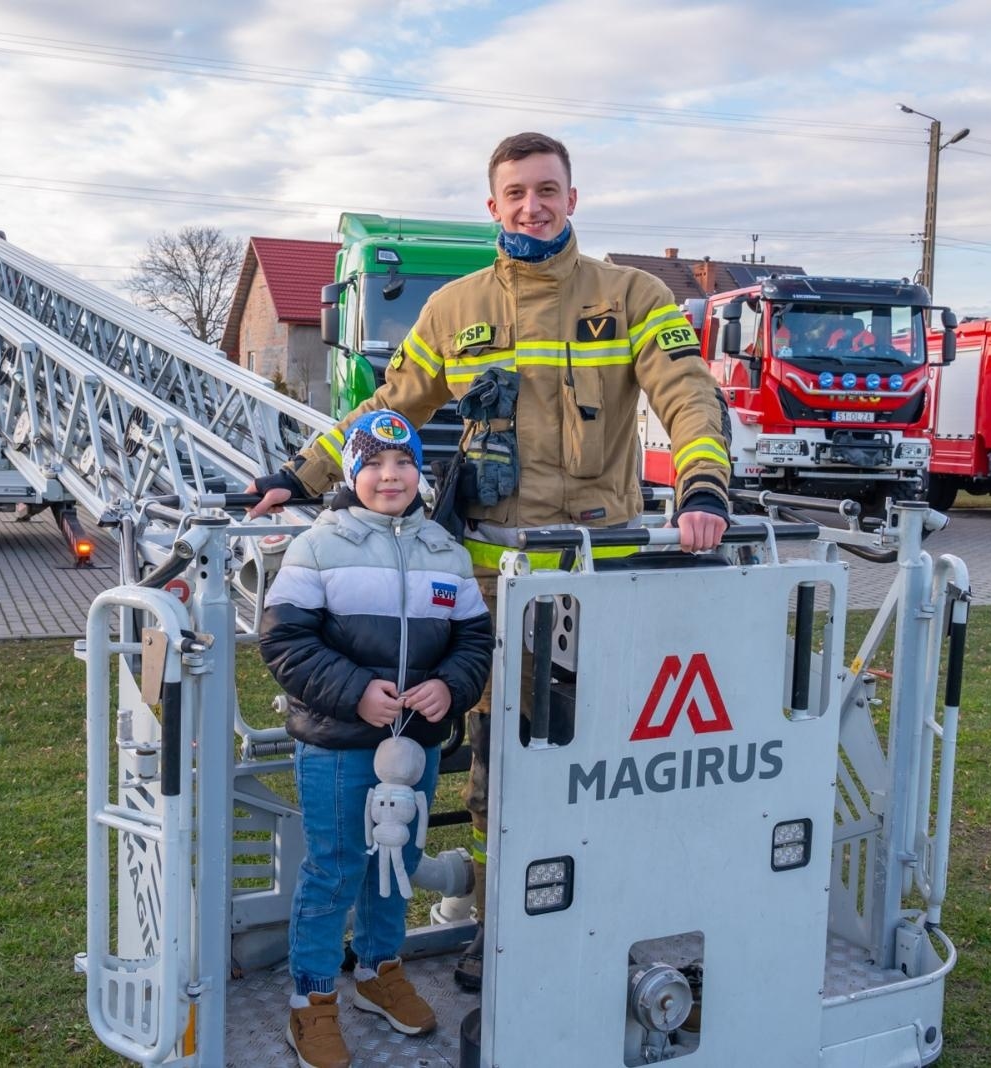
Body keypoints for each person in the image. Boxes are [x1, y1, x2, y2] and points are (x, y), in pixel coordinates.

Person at [249, 131, 731, 992]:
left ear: (572, 199)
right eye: (515, 193)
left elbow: (688, 391)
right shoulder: (454, 309)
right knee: (499, 759)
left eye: (547, 190)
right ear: (493, 205)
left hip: (597, 584)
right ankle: (502, 924)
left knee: (603, 758)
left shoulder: (634, 295)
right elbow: (385, 407)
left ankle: (606, 915)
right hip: (490, 588)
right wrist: (299, 475)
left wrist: (702, 486)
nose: (532, 206)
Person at [259, 411, 494, 1068]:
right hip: (338, 744)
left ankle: (377, 973)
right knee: (335, 871)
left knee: (394, 865)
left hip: (412, 747)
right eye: (374, 464)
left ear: (420, 471)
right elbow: (282, 640)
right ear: (353, 473)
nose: (390, 476)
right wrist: (355, 691)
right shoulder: (319, 544)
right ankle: (312, 1004)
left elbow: (475, 640)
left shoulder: (445, 551)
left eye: (403, 463)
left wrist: (450, 686)